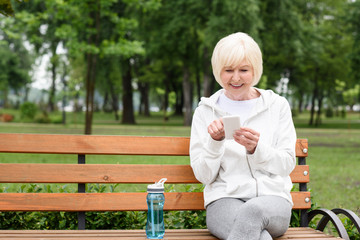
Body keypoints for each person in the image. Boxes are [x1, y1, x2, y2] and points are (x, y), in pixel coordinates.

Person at [189, 32, 297, 240]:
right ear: (217, 71)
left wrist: (257, 149)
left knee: (253, 212)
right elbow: (203, 176)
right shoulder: (205, 111)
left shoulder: (277, 106)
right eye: (228, 70)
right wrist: (215, 143)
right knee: (260, 236)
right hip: (223, 201)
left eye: (244, 70)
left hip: (272, 201)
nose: (236, 78)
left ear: (255, 70)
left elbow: (287, 164)